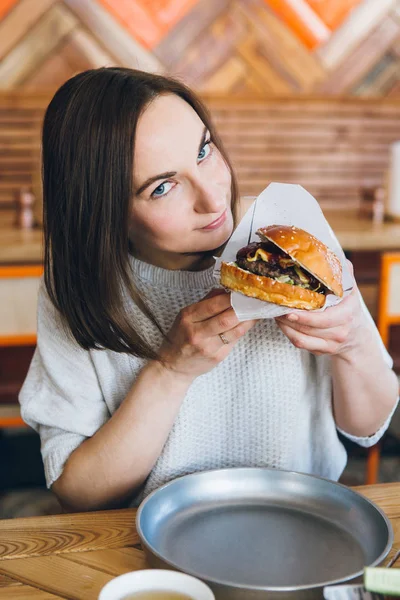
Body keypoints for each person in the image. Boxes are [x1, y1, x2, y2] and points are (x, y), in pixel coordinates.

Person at [19, 67, 398, 513]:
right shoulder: (79, 290)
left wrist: (351, 341)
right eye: (162, 187)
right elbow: (78, 491)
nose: (214, 199)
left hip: (300, 520)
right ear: (106, 212)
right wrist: (171, 370)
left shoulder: (292, 238)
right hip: (150, 538)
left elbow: (368, 426)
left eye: (203, 150)